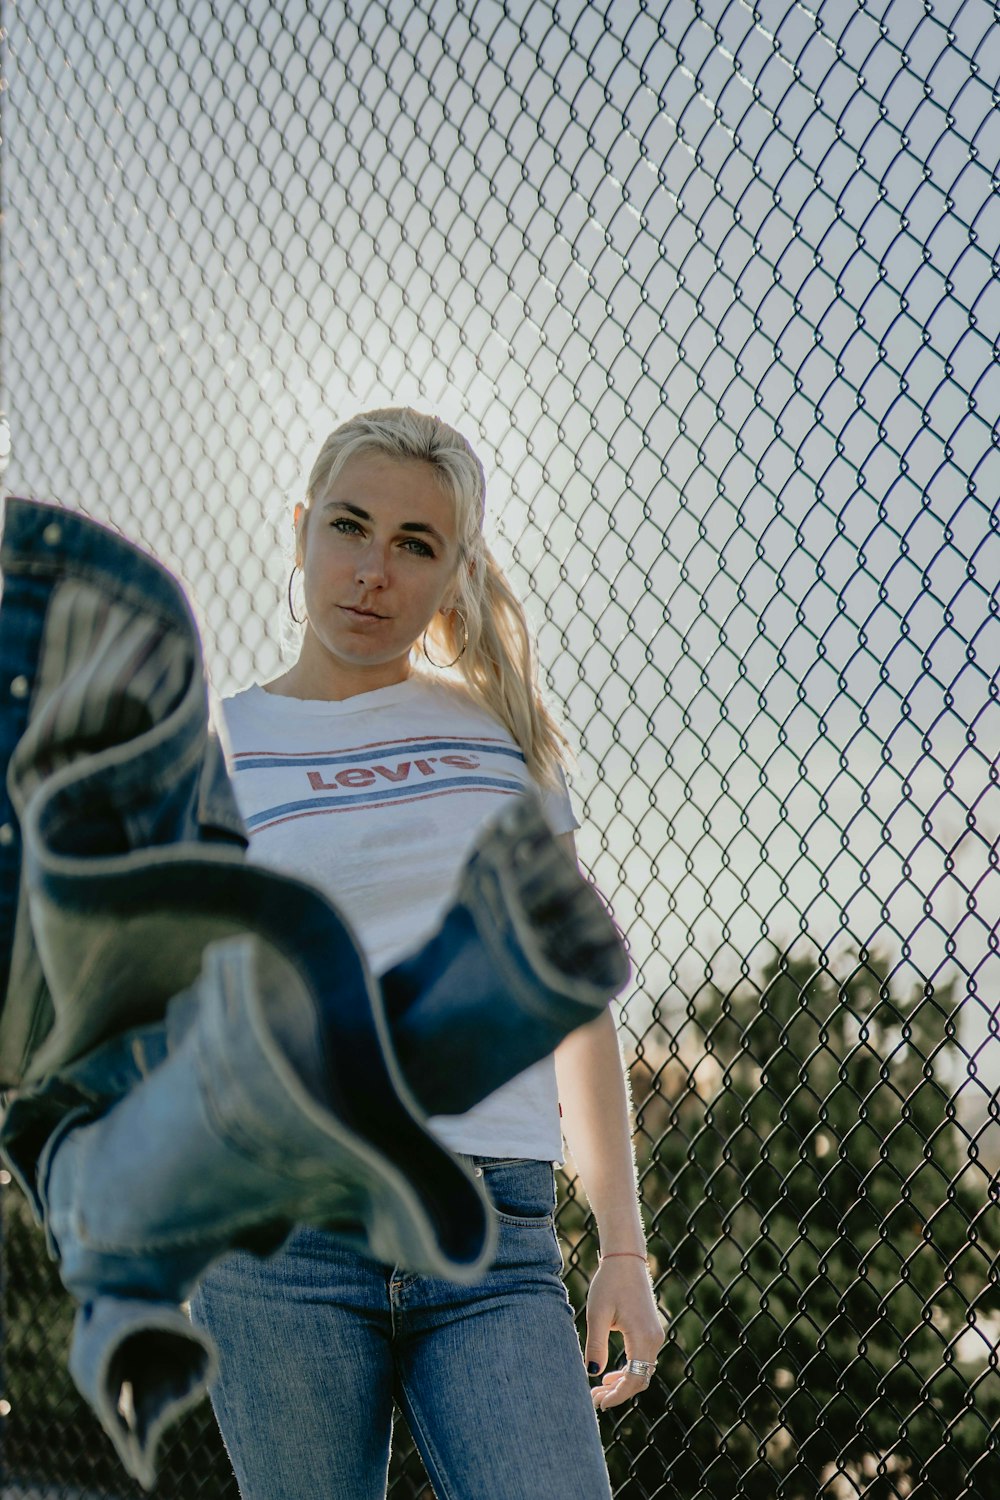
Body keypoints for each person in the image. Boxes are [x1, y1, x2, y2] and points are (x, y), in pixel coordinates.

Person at [188, 407, 664, 1500]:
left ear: (452, 575)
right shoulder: (219, 747)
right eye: (350, 528)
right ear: (302, 530)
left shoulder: (501, 737)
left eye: (415, 544)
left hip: (490, 1243)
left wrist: (622, 1248)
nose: (372, 571)